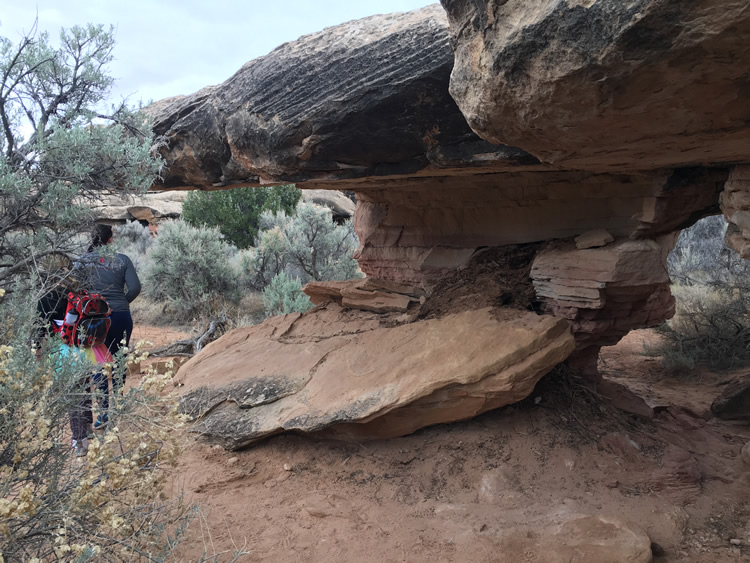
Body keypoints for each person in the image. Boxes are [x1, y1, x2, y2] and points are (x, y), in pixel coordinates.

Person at [76, 224, 141, 429]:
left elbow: (75, 288)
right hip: (121, 316)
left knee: (98, 362)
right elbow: (136, 287)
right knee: (119, 358)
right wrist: (121, 302)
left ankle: (103, 413)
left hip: (94, 318)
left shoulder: (82, 261)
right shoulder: (122, 259)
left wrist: (93, 304)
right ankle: (119, 405)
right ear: (110, 239)